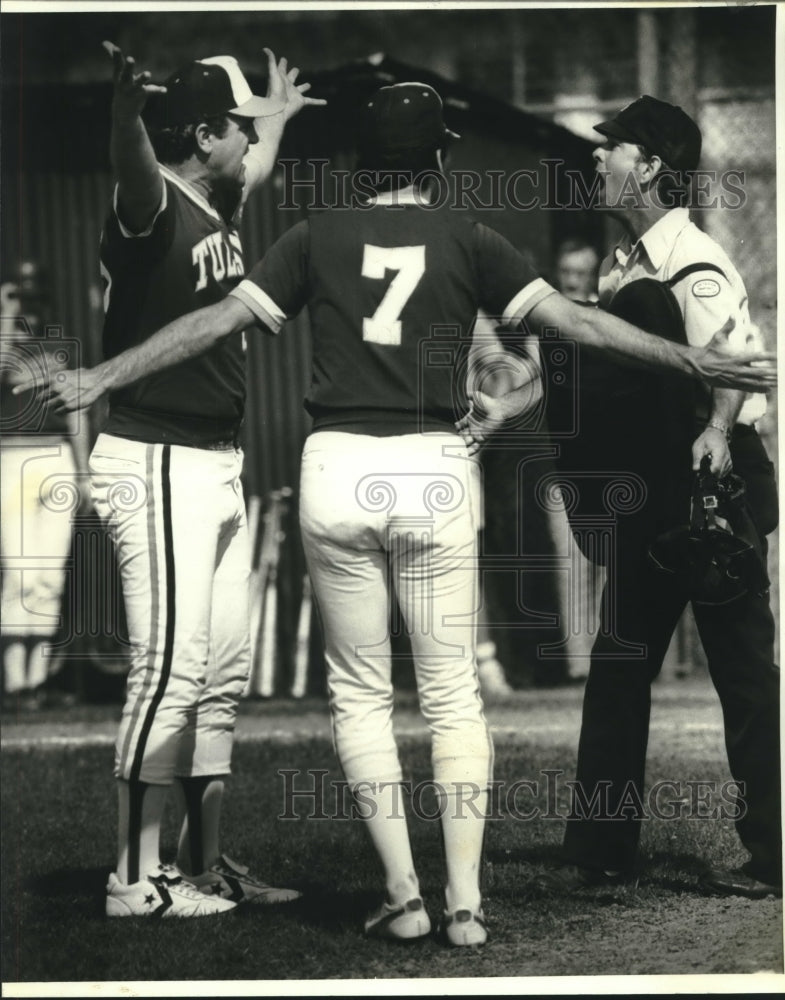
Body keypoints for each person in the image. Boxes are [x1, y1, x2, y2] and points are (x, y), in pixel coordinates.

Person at [20, 84, 776, 942]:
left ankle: (402, 896)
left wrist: (101, 376)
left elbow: (215, 319)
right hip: (434, 469)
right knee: (456, 697)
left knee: (361, 696)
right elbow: (577, 329)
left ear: (357, 160)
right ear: (441, 158)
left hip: (338, 469)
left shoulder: (314, 233)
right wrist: (685, 361)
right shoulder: (470, 236)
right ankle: (464, 904)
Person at [55, 41, 322, 919]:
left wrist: (273, 118)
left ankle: (203, 865)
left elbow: (251, 162)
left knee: (215, 676)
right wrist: (124, 112)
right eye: (237, 126)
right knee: (165, 669)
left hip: (213, 461)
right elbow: (133, 167)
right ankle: (133, 879)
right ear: (202, 134)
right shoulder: (155, 205)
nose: (250, 138)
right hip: (157, 455)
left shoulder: (214, 200)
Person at [535, 96, 781, 900]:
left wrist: (712, 434)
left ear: (647, 169)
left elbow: (739, 361)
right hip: (654, 495)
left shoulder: (691, 260)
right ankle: (601, 845)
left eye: (612, 148)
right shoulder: (623, 262)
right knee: (618, 667)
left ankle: (775, 847)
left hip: (713, 487)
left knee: (743, 673)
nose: (597, 158)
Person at [1, 261, 92, 711]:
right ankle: (14, 679)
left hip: (55, 454)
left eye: (35, 300)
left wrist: (83, 471)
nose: (29, 309)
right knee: (18, 570)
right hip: (11, 456)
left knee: (49, 572)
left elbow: (78, 412)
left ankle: (36, 681)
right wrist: (5, 314)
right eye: (22, 298)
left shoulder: (60, 347)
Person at [553, 238, 600, 303]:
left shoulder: (603, 311)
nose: (571, 282)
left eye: (580, 274)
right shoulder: (544, 310)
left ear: (593, 278)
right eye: (565, 272)